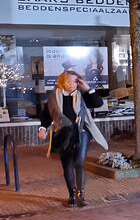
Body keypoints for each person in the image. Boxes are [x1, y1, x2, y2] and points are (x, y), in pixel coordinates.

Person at [36, 70, 108, 208]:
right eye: (68, 81)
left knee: (79, 161)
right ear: (62, 81)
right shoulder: (54, 96)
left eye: (75, 81)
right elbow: (46, 114)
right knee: (67, 163)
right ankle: (72, 195)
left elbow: (98, 103)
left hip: (81, 131)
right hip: (63, 133)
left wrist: (87, 88)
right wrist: (43, 128)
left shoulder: (82, 94)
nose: (71, 84)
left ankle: (81, 194)